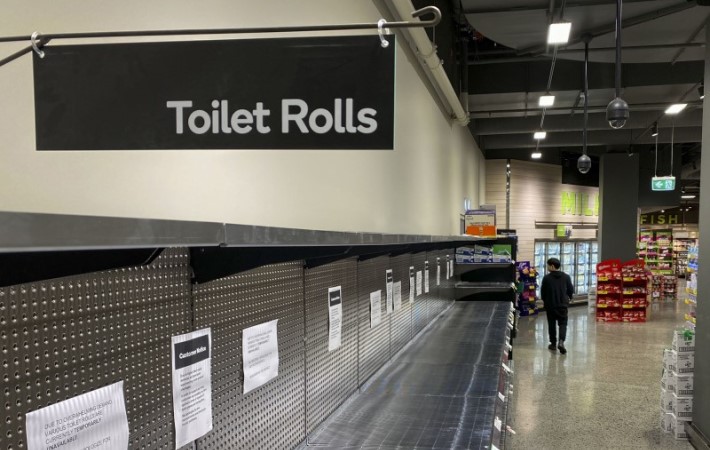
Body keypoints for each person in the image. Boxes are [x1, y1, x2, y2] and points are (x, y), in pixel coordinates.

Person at [540, 257, 574, 354]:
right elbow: (570, 290)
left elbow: (543, 292)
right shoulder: (566, 277)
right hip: (562, 305)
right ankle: (561, 342)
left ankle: (553, 344)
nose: (547, 267)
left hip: (550, 305)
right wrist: (569, 298)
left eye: (548, 265)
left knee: (552, 324)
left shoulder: (546, 278)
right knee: (563, 324)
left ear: (552, 266)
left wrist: (545, 301)